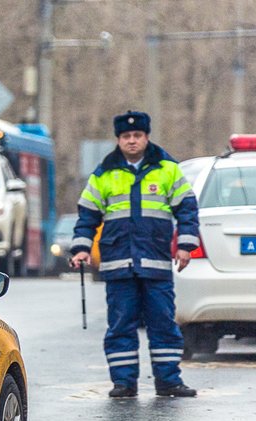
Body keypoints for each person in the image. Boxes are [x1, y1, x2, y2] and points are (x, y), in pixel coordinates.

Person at [69, 111, 200, 398]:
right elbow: (87, 215)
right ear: (118, 139)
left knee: (163, 323)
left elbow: (187, 209)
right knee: (120, 325)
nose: (132, 141)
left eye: (137, 136)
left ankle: (169, 381)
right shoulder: (104, 173)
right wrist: (80, 248)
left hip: (156, 263)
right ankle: (123, 383)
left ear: (146, 137)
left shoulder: (167, 169)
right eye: (126, 137)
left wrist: (185, 246)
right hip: (118, 263)